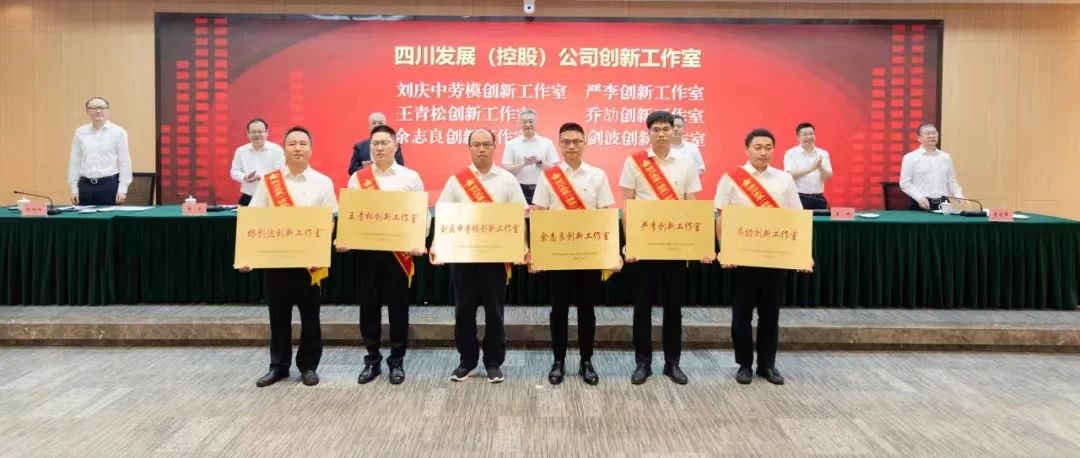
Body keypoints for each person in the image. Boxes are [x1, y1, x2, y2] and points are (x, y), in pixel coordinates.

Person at [241, 126, 338, 388]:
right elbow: (255, 217)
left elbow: (329, 221)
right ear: (283, 149)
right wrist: (248, 254)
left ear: (311, 149)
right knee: (278, 316)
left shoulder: (323, 182)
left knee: (311, 317)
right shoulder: (269, 181)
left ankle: (309, 366)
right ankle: (278, 366)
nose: (297, 148)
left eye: (302, 144)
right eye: (292, 144)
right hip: (277, 260)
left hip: (309, 263)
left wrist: (321, 252)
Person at [618, 110, 707, 385]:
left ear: (673, 131)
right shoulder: (634, 162)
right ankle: (642, 363)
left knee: (673, 308)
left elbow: (691, 205)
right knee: (642, 308)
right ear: (648, 132)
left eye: (665, 129)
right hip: (644, 246)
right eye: (655, 129)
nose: (661, 134)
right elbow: (627, 205)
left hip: (675, 247)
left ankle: (672, 363)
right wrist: (630, 242)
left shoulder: (686, 163)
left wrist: (695, 244)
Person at [433, 128, 528, 384]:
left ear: (495, 147)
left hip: (495, 257)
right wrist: (436, 244)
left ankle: (493, 362)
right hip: (463, 256)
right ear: (469, 148)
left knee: (494, 312)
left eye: (486, 144)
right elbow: (443, 215)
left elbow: (519, 216)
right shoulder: (457, 181)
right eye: (476, 145)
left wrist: (523, 245)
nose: (482, 149)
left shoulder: (507, 180)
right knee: (464, 311)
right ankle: (467, 361)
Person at [714, 128, 806, 386]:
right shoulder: (732, 178)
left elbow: (796, 218)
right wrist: (724, 251)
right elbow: (721, 217)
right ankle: (744, 364)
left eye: (768, 147)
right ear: (747, 149)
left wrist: (801, 254)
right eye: (758, 147)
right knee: (741, 315)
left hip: (774, 257)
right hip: (742, 258)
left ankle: (767, 365)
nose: (763, 152)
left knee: (770, 314)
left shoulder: (784, 179)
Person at [530, 122, 617, 386]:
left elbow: (606, 214)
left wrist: (612, 252)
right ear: (559, 144)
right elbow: (539, 213)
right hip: (558, 255)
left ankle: (586, 360)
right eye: (566, 142)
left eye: (576, 141)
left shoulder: (597, 175)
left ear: (584, 143)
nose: (571, 146)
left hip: (588, 254)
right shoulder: (550, 176)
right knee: (558, 310)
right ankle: (558, 360)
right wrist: (537, 253)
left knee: (586, 309)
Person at [339, 125, 425, 385]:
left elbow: (421, 214)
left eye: (385, 142)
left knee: (398, 309)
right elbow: (349, 213)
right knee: (368, 308)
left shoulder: (410, 177)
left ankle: (396, 360)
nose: (379, 147)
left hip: (398, 253)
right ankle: (372, 359)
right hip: (367, 252)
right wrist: (344, 236)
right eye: (375, 143)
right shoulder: (359, 178)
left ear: (396, 146)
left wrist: (418, 240)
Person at [67, 96, 133, 206]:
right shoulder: (80, 132)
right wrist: (74, 188)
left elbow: (124, 162)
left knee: (108, 216)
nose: (98, 111)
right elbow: (75, 161)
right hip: (85, 186)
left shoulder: (118, 132)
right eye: (93, 108)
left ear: (108, 110)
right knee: (84, 217)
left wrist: (123, 189)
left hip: (109, 185)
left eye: (102, 108)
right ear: (87, 111)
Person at [899, 123, 964, 211]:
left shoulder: (946, 157)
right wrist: (919, 197)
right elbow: (905, 183)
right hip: (921, 204)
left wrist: (959, 195)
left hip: (943, 204)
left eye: (934, 133)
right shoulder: (910, 157)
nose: (932, 136)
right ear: (919, 138)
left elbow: (951, 181)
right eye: (928, 133)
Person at [500, 108, 560, 203]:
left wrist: (538, 163)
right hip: (518, 189)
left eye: (530, 121)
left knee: (541, 213)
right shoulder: (511, 144)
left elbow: (556, 170)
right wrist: (524, 164)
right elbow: (506, 171)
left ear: (535, 123)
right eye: (524, 122)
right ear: (520, 124)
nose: (527, 125)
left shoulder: (547, 143)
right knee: (520, 213)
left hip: (543, 189)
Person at [229, 118, 285, 206]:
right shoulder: (241, 151)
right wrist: (245, 177)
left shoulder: (276, 150)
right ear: (248, 134)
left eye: (260, 131)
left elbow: (279, 172)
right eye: (253, 132)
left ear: (266, 132)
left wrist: (260, 176)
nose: (257, 134)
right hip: (248, 197)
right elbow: (234, 172)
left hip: (270, 198)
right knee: (244, 215)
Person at [783, 122, 833, 210]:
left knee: (823, 218)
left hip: (818, 197)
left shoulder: (823, 153)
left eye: (811, 134)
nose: (809, 137)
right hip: (799, 197)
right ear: (798, 138)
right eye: (805, 134)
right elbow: (789, 175)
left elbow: (828, 176)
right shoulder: (791, 153)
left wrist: (820, 167)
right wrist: (811, 168)